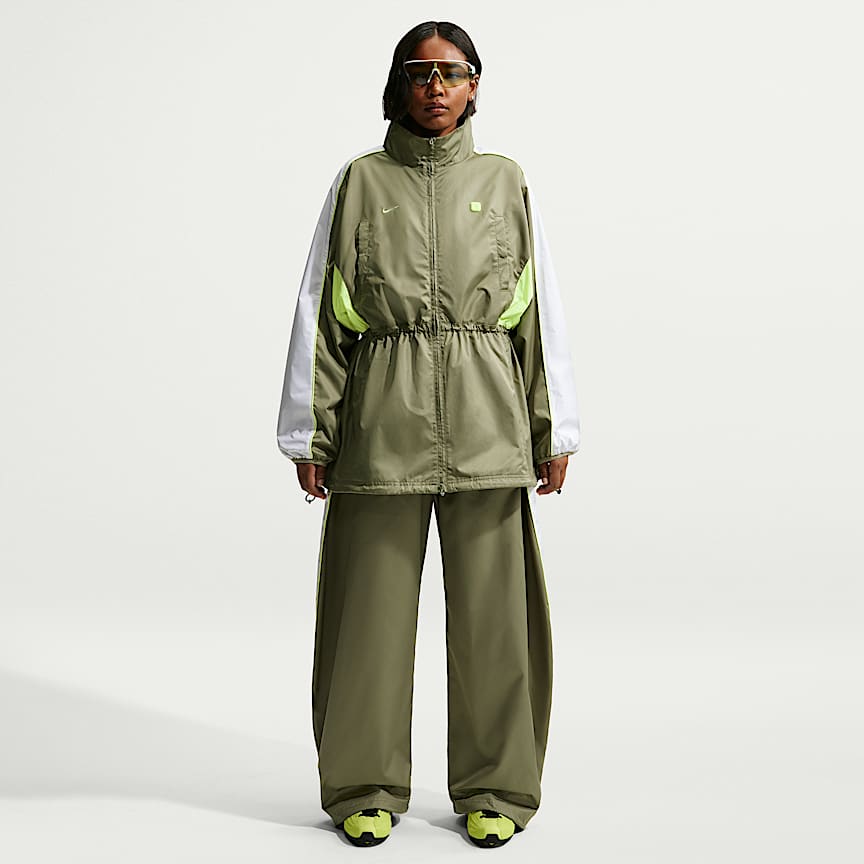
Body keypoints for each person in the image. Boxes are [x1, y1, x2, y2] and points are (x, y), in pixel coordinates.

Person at [276, 20, 581, 848]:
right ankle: (363, 786)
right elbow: (320, 313)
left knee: (496, 626)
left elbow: (538, 315)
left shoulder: (506, 181)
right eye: (420, 72)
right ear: (399, 83)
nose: (436, 87)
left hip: (489, 429)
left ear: (476, 84)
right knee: (366, 625)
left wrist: (553, 428)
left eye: (452, 72)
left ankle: (497, 788)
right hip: (381, 432)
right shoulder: (360, 182)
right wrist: (310, 433)